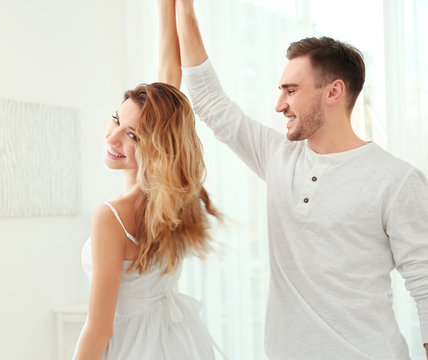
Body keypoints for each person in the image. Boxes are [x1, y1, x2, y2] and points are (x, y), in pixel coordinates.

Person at [173, 0, 428, 359]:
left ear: (334, 92)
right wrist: (184, 9)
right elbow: (210, 101)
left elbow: (425, 282)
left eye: (290, 90)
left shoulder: (396, 179)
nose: (279, 104)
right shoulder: (278, 157)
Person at [72, 1, 223, 359]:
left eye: (133, 136)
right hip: (175, 341)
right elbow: (169, 73)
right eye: (115, 120)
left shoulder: (111, 216)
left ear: (156, 145)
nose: (112, 138)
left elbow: (99, 329)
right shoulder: (175, 197)